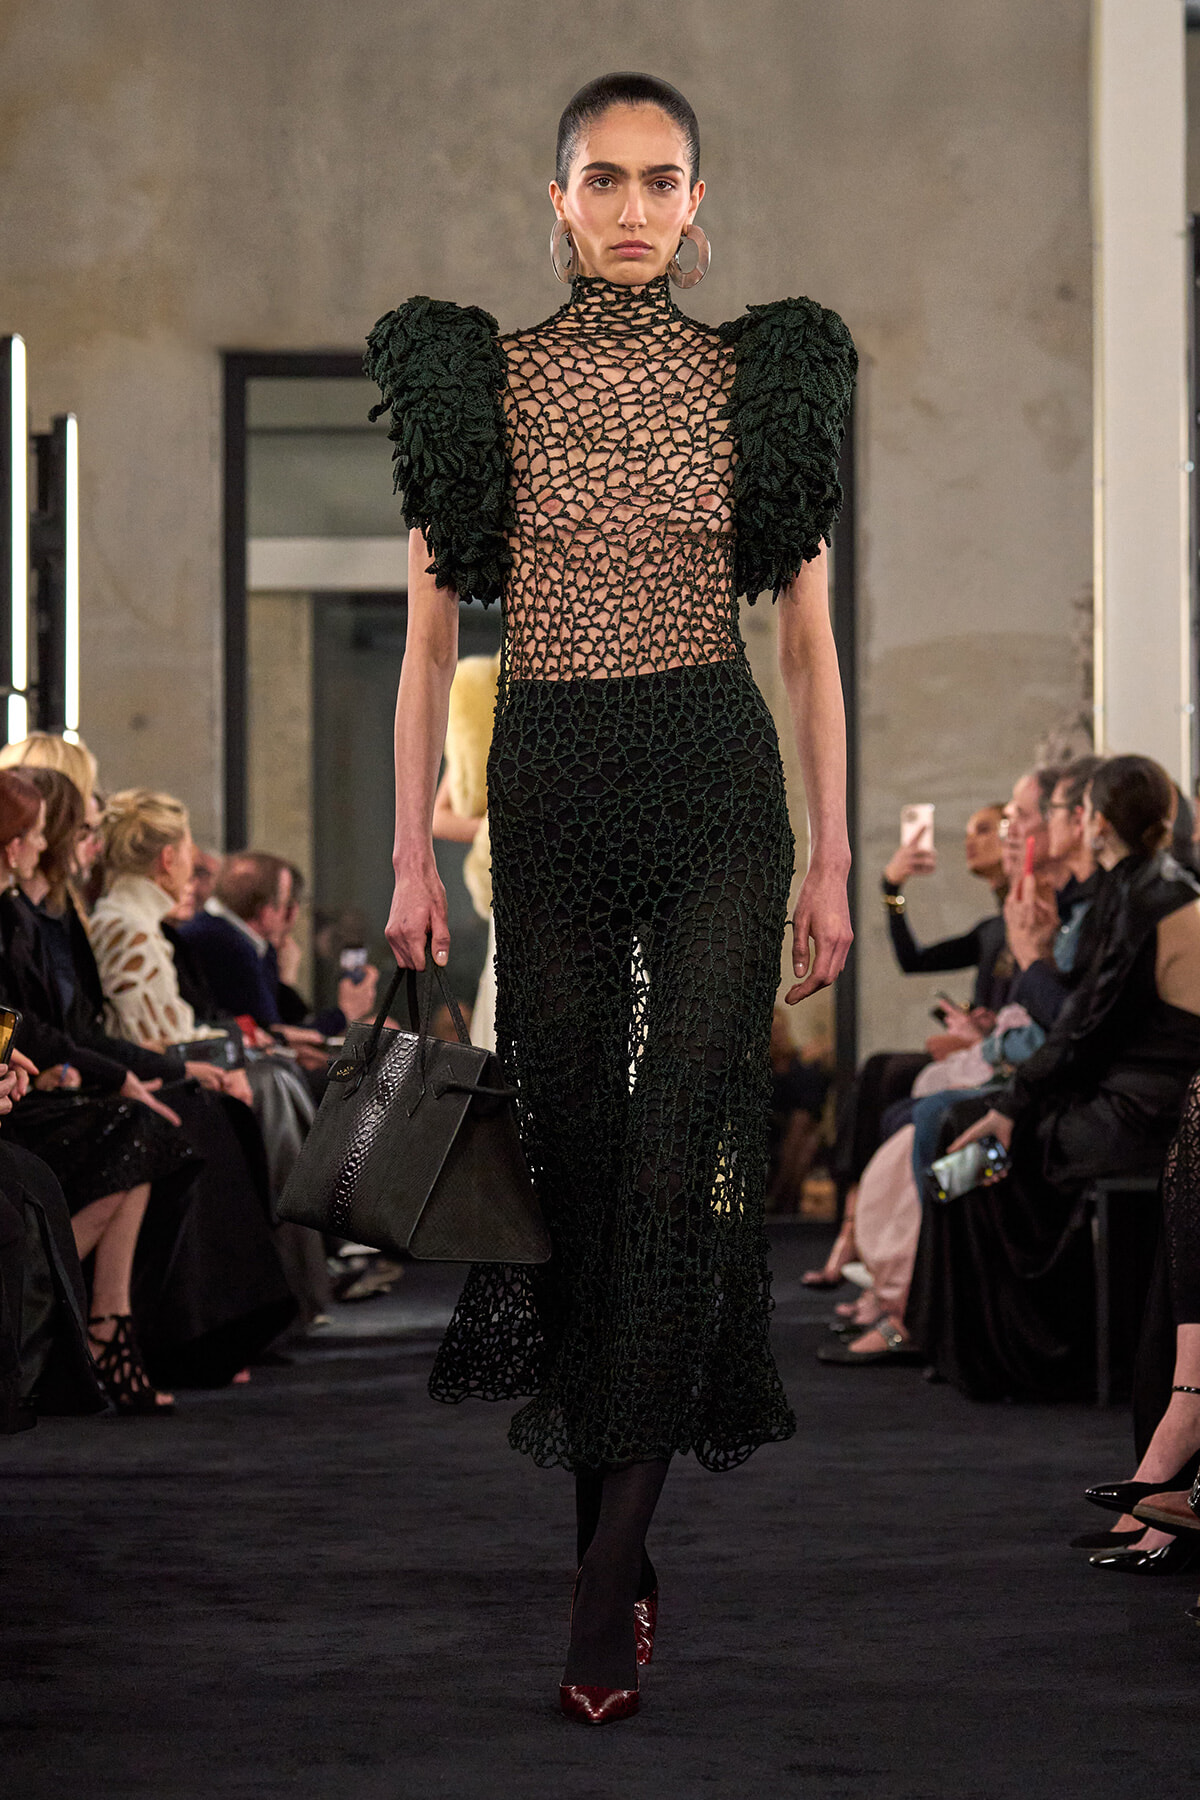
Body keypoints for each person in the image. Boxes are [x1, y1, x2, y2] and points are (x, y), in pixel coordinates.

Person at [369, 71, 854, 1721]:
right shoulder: (475, 383)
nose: (637, 207)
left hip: (721, 781)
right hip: (554, 779)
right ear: (554, 197)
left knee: (680, 1144)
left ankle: (597, 1588)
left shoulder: (764, 381)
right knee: (577, 1169)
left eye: (665, 181)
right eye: (605, 179)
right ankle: (615, 1536)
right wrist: (403, 861)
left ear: (699, 202)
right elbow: (433, 646)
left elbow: (807, 646)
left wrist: (841, 852)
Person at [907, 755, 1200, 1404]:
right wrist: (1017, 1100)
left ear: (1095, 822)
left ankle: (1014, 1351)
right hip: (1131, 1103)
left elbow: (1088, 1028)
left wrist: (1014, 1105)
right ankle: (951, 1333)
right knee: (967, 1138)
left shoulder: (1151, 894)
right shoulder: (1144, 886)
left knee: (978, 1152)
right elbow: (1088, 1027)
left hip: (1143, 1119)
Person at [0, 770, 295, 1390]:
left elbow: (50, 1028)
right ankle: (114, 1330)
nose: (83, 847)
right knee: (174, 1119)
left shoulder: (44, 917)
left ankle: (118, 1329)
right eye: (73, 831)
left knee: (200, 1109)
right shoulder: (76, 920)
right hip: (50, 1088)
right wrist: (153, 1071)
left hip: (54, 1077)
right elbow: (59, 1029)